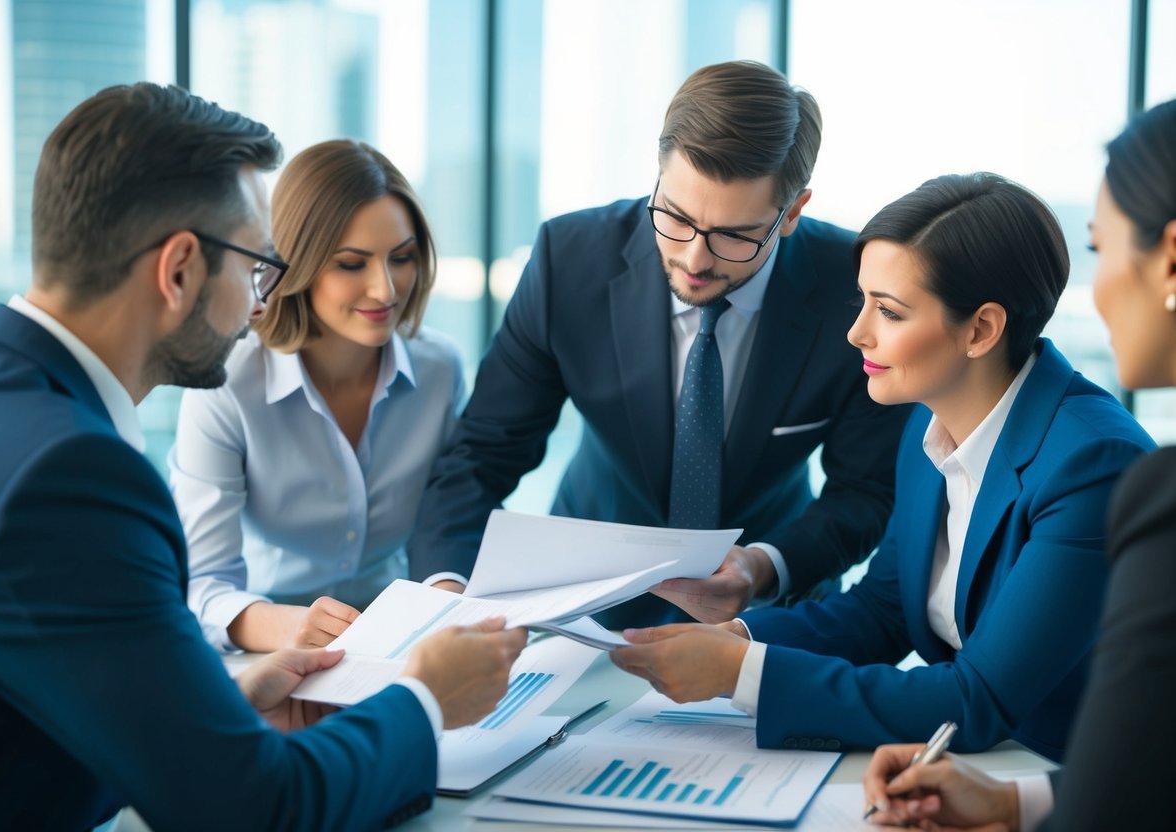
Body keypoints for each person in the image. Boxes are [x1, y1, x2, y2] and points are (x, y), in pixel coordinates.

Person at [0, 83, 526, 831]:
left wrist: (214, 709)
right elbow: (256, 809)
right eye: (257, 264)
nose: (262, 301)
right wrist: (423, 700)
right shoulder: (71, 478)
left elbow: (33, 696)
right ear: (180, 269)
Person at [610, 171, 1156, 761]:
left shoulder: (1093, 465)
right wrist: (736, 639)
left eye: (890, 313)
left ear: (981, 329)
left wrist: (742, 673)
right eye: (862, 302)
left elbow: (980, 702)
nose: (856, 333)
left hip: (1067, 777)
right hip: (977, 768)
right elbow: (884, 611)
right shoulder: (929, 428)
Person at [408, 60, 910, 627]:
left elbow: (865, 490)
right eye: (675, 216)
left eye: (734, 236)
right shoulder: (569, 260)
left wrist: (765, 568)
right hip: (581, 602)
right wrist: (447, 595)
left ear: (792, 212)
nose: (695, 259)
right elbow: (480, 456)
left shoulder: (855, 290)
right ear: (658, 171)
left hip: (767, 616)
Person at [862, 99, 1176, 831]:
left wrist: (742, 674)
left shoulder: (1119, 471)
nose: (1094, 292)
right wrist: (1013, 802)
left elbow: (1118, 783)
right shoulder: (926, 429)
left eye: (1099, 250)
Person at [169, 139, 464, 652]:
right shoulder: (228, 382)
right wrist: (287, 627)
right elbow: (200, 584)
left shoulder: (440, 369)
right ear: (295, 264)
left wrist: (448, 594)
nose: (386, 290)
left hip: (402, 647)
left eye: (402, 258)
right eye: (351, 264)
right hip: (266, 653)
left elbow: (452, 518)